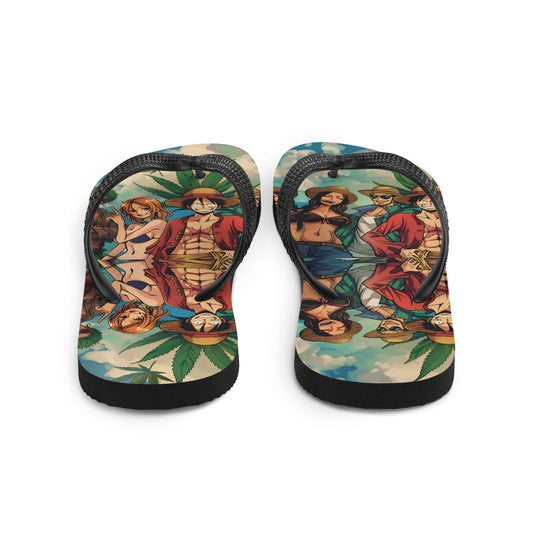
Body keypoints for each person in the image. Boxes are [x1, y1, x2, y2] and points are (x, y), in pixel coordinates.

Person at [146, 188, 242, 311]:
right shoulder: (175, 223)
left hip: (220, 271)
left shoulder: (231, 221)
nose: (204, 207)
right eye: (197, 204)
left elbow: (255, 233)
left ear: (218, 205)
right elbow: (161, 247)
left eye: (209, 204)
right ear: (189, 206)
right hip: (174, 267)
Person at [291, 186, 357, 279]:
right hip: (303, 245)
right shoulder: (303, 211)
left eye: (338, 197)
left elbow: (332, 232)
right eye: (328, 196)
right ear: (320, 196)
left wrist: (339, 246)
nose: (332, 199)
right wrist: (294, 241)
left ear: (343, 201)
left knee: (337, 270)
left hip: (329, 247)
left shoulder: (340, 215)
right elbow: (292, 226)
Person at [362, 186, 442, 259]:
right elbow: (370, 236)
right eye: (424, 200)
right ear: (415, 203)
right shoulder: (403, 218)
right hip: (417, 263)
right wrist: (400, 251)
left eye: (434, 199)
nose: (430, 202)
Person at [102, 197, 171, 261]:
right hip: (123, 260)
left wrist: (121, 223)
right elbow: (121, 244)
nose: (139, 213)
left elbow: (121, 240)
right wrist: (105, 259)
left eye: (144, 208)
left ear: (156, 209)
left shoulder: (159, 223)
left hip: (143, 262)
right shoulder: (134, 226)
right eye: (133, 211)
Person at [348, 186, 402, 256]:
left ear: (394, 198)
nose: (378, 199)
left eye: (384, 197)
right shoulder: (365, 210)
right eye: (374, 196)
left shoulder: (399, 214)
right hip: (354, 251)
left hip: (383, 254)